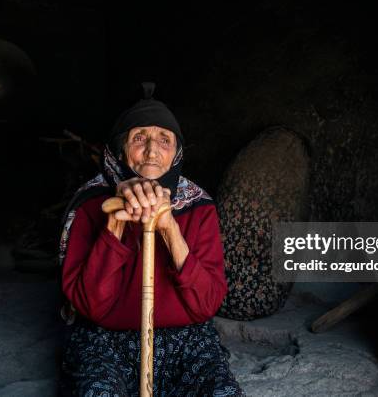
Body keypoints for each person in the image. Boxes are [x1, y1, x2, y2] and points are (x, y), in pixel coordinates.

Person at [59, 83, 244, 396]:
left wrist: (168, 225)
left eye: (164, 139)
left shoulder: (198, 207)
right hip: (104, 341)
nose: (151, 150)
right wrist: (115, 225)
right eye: (139, 138)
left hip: (187, 342)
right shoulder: (91, 206)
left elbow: (207, 303)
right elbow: (88, 305)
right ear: (120, 150)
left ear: (176, 153)